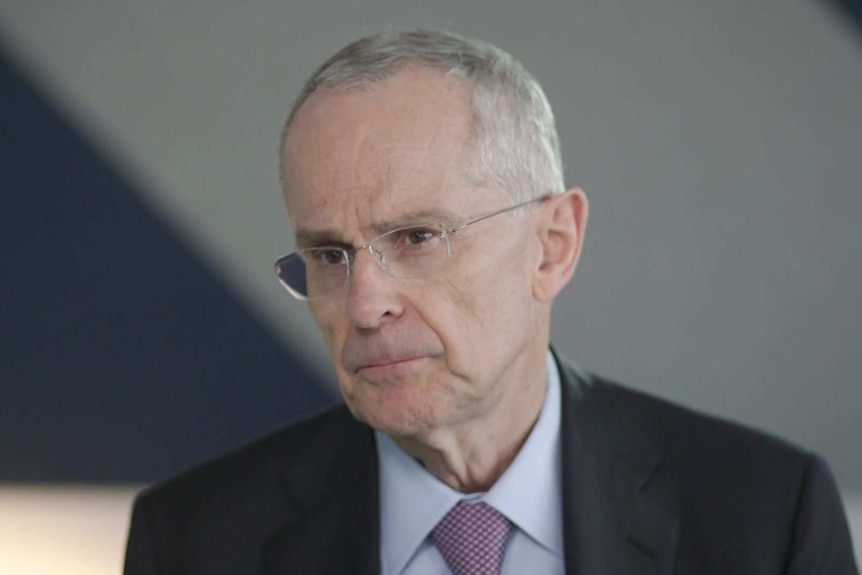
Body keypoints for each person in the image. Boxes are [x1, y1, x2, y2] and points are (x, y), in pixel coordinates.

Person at [124, 29, 858, 575]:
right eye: (329, 255)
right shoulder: (193, 540)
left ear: (552, 245)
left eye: (415, 237)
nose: (364, 303)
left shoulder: (766, 519)